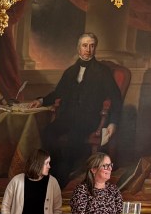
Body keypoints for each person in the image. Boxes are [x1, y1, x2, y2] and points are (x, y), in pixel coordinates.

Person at [26, 32, 123, 187]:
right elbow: (58, 93)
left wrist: (113, 123)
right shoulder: (70, 71)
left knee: (73, 138)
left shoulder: (103, 72)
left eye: (92, 46)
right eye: (85, 45)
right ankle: (53, 168)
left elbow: (116, 99)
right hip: (67, 116)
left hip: (89, 119)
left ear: (95, 48)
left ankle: (60, 180)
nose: (88, 49)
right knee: (48, 132)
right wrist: (41, 100)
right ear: (79, 48)